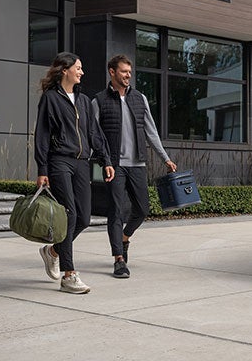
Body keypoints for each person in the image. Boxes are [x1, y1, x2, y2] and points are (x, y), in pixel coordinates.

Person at [35, 52, 115, 294]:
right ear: (64, 70)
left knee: (83, 218)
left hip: (82, 162)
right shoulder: (50, 98)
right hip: (59, 161)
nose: (82, 72)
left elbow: (94, 133)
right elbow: (42, 134)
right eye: (78, 68)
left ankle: (53, 251)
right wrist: (42, 168)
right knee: (69, 214)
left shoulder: (83, 100)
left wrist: (105, 159)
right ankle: (69, 275)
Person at [92, 54, 176, 279]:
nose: (128, 75)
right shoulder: (99, 101)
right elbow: (94, 135)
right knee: (116, 211)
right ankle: (119, 260)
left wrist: (165, 158)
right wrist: (104, 161)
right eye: (124, 71)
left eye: (130, 72)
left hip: (137, 163)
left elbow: (151, 131)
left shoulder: (140, 98)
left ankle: (124, 237)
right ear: (112, 72)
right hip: (114, 165)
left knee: (142, 209)